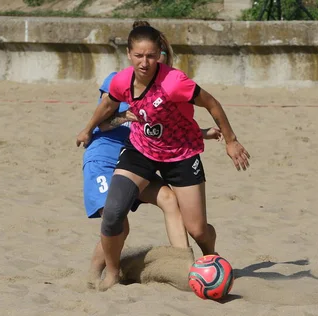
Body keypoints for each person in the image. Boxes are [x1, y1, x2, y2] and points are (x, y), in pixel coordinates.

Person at [76, 23, 250, 290]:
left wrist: (231, 141)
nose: (144, 62)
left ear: (159, 55)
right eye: (139, 56)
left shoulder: (174, 82)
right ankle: (111, 274)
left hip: (181, 155)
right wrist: (87, 128)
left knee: (198, 229)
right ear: (129, 54)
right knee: (113, 213)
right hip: (141, 151)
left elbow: (212, 103)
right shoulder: (122, 80)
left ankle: (210, 257)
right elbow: (109, 104)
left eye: (150, 56)